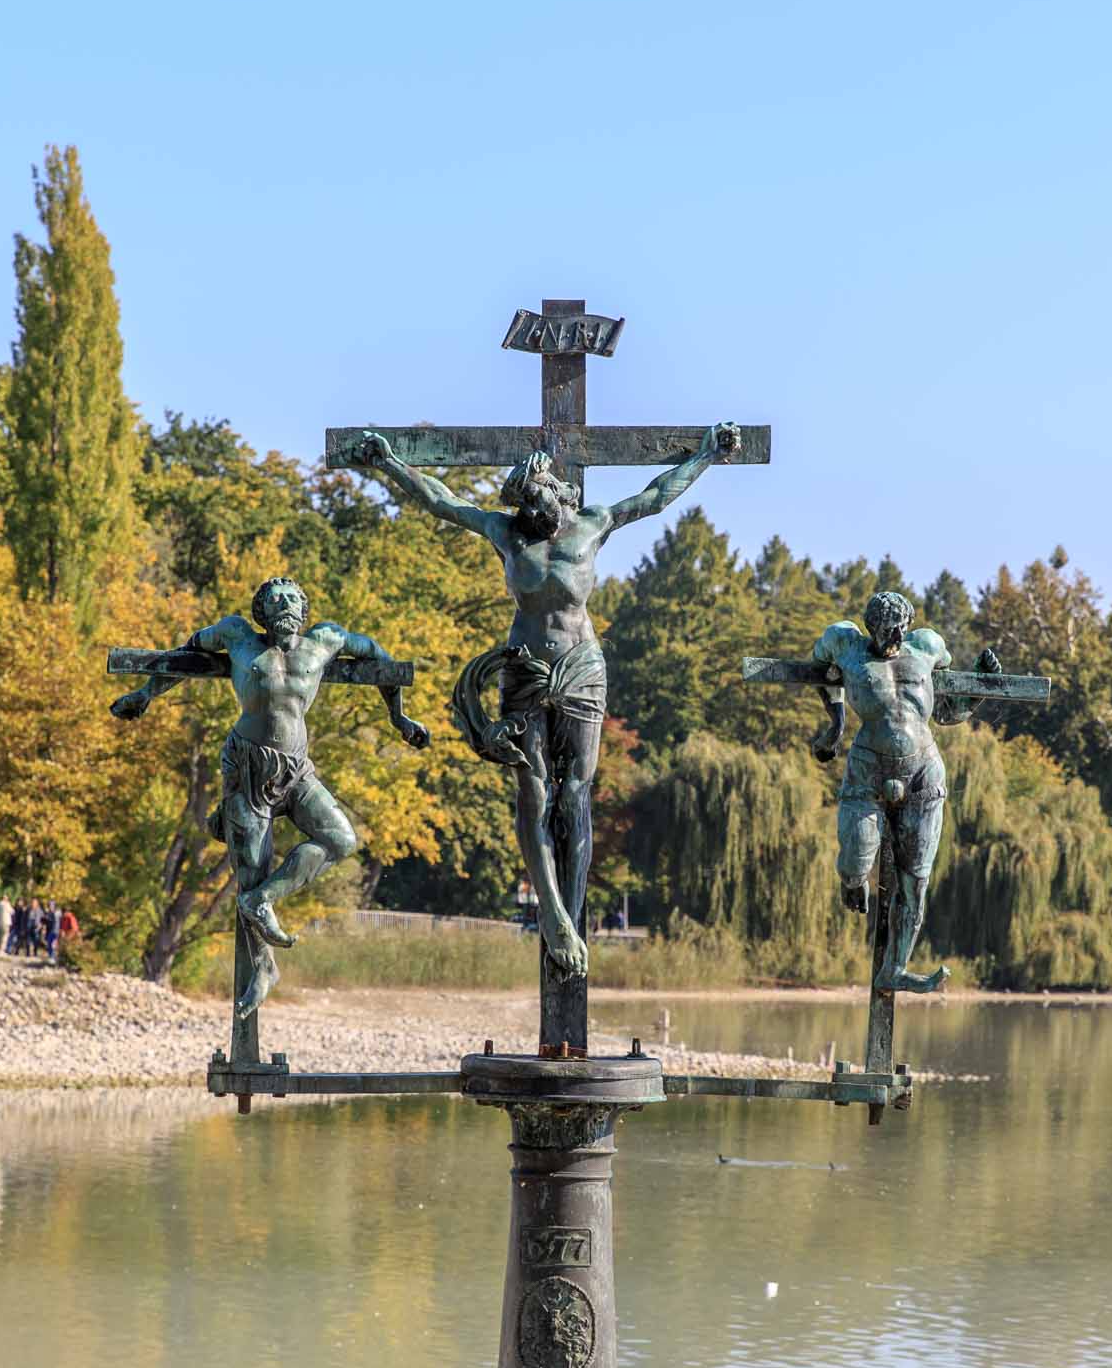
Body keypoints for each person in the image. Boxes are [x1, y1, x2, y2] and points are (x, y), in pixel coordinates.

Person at [345, 422, 736, 977]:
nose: (532, 512)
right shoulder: (506, 533)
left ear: (558, 491)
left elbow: (655, 496)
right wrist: (388, 463)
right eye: (524, 505)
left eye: (537, 500)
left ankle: (572, 916)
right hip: (525, 670)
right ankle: (553, 914)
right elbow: (441, 499)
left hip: (581, 668)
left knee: (575, 795)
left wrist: (706, 456)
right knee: (532, 792)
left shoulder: (594, 524)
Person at [113, 576, 427, 1013]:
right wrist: (145, 694)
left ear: (304, 608)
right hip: (247, 767)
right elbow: (184, 656)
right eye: (275, 599)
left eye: (292, 598)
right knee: (250, 870)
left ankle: (264, 900)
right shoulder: (238, 636)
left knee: (341, 839)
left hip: (297, 771)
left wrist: (399, 718)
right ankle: (263, 967)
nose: (284, 604)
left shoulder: (325, 640)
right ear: (261, 610)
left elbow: (380, 658)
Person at [800, 591, 997, 993]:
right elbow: (819, 673)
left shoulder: (926, 647)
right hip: (868, 768)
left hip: (923, 771)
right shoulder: (846, 644)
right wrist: (836, 725)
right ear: (871, 626)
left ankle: (895, 968)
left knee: (915, 880)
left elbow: (946, 713)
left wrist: (979, 686)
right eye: (888, 628)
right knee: (854, 861)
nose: (896, 635)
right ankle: (852, 881)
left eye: (901, 628)